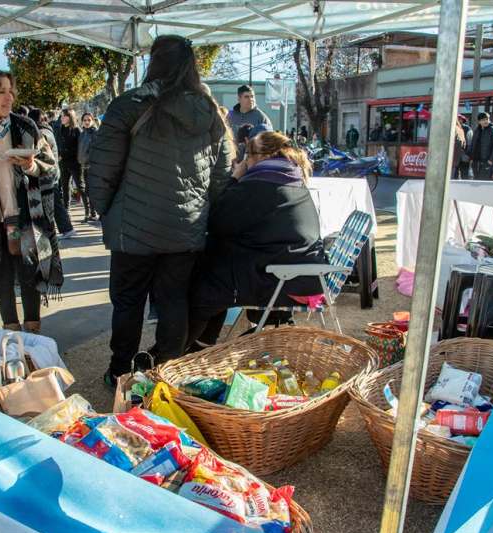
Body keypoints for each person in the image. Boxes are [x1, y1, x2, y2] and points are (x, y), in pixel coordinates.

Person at [87, 34, 232, 386]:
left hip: (132, 228)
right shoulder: (208, 110)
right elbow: (222, 172)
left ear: (154, 62)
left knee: (128, 301)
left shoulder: (128, 104)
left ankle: (120, 370)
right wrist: (204, 213)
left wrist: (106, 211)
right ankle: (167, 370)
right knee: (173, 299)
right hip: (186, 228)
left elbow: (101, 167)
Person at [187, 131, 327, 349]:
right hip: (301, 273)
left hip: (284, 279)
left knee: (207, 287)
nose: (245, 159)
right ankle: (201, 344)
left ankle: (181, 351)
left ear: (262, 156)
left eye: (247, 154)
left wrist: (235, 176)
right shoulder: (290, 175)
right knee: (216, 271)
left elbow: (218, 220)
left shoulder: (261, 183)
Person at [0, 70, 63, 333]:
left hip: (29, 216)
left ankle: (33, 333)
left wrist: (32, 165)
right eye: (0, 92)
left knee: (31, 273)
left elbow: (51, 170)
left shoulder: (25, 127)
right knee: (2, 277)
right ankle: (12, 335)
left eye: (10, 91)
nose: (8, 97)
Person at [28, 107, 75, 238]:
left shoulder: (41, 133)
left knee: (53, 204)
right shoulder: (48, 130)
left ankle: (66, 229)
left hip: (46, 174)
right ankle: (66, 229)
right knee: (55, 202)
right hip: (53, 172)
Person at [56, 109, 82, 210]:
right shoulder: (60, 129)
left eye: (64, 116)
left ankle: (90, 211)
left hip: (75, 163)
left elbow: (78, 148)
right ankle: (66, 209)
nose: (61, 118)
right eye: (61, 116)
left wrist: (64, 154)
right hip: (63, 163)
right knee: (64, 186)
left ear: (70, 117)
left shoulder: (77, 130)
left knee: (80, 186)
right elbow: (59, 144)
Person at [77, 112, 99, 222]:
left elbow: (95, 150)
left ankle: (94, 213)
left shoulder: (95, 133)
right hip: (83, 165)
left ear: (92, 121)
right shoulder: (82, 133)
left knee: (92, 190)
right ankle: (92, 213)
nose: (86, 122)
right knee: (88, 190)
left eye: (89, 120)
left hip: (92, 165)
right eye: (85, 120)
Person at [468, 112, 493, 180]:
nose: (486, 121)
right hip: (476, 161)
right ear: (479, 121)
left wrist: (491, 160)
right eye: (483, 120)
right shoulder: (477, 130)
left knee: (484, 180)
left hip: (487, 161)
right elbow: (473, 144)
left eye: (487, 119)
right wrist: (471, 158)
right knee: (476, 180)